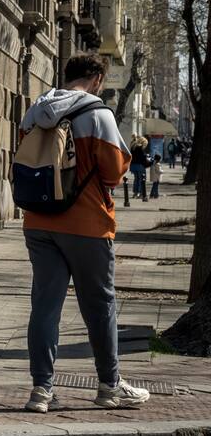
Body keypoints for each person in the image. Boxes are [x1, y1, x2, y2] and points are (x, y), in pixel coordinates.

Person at [19, 54, 149, 413]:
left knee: (44, 307)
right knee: (99, 305)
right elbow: (113, 173)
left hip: (39, 220)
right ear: (96, 80)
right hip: (87, 223)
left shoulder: (35, 112)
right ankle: (109, 386)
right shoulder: (98, 114)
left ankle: (41, 390)